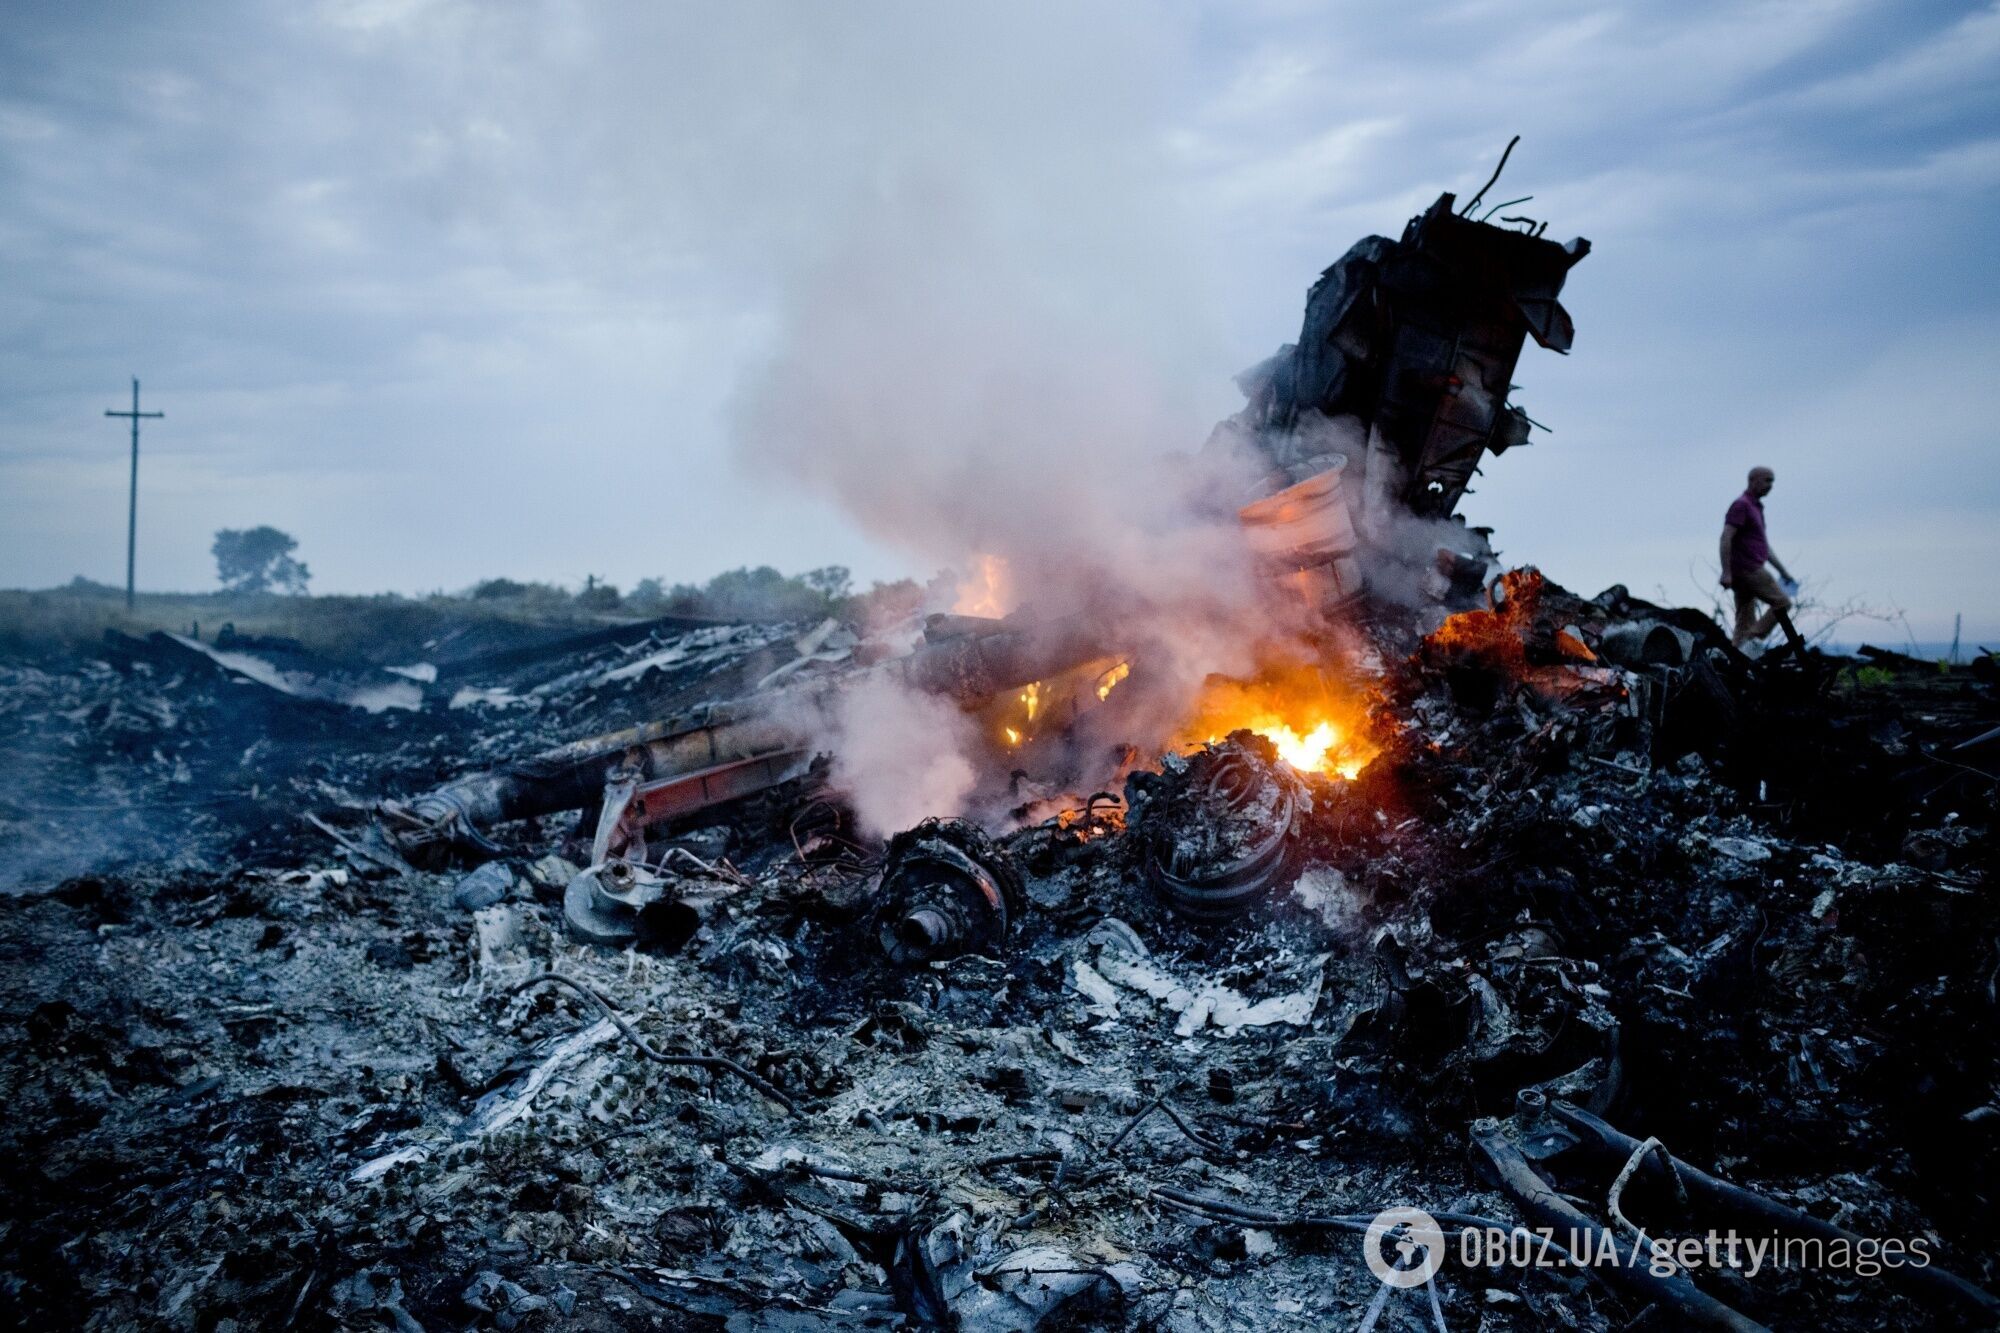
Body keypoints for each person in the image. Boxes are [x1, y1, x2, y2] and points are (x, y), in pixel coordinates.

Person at [1719, 466, 1796, 649]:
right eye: (1767, 480)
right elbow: (1726, 537)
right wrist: (1726, 572)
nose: (1770, 485)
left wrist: (1783, 571)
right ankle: (1752, 640)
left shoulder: (1755, 507)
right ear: (1753, 480)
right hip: (1748, 569)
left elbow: (1764, 547)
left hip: (1748, 568)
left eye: (1772, 481)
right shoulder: (1741, 505)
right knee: (1782, 602)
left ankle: (1736, 659)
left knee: (1744, 619)